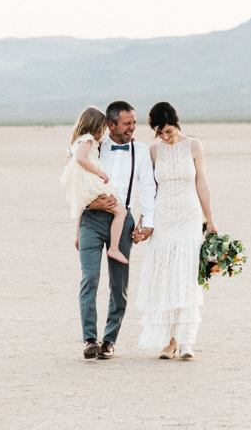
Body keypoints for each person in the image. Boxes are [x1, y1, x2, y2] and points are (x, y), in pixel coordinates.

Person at [129, 101, 216, 360]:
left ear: (176, 124)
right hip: (164, 219)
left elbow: (202, 182)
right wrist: (144, 220)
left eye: (169, 131)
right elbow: (150, 190)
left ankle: (186, 341)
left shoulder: (194, 146)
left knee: (186, 277)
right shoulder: (154, 151)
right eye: (160, 133)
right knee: (165, 277)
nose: (165, 137)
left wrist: (210, 219)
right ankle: (169, 342)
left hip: (189, 217)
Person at [74, 100, 154, 360]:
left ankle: (109, 340)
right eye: (126, 123)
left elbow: (149, 190)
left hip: (124, 219)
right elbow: (76, 183)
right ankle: (89, 339)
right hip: (91, 218)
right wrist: (86, 211)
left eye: (134, 122)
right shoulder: (94, 147)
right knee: (90, 279)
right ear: (110, 124)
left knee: (119, 285)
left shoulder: (140, 151)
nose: (132, 127)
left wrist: (147, 224)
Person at [60, 107, 127, 266]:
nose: (103, 133)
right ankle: (114, 248)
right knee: (121, 211)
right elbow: (80, 158)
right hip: (91, 182)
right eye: (102, 129)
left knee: (82, 206)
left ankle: (79, 235)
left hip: (85, 184)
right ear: (95, 126)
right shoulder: (88, 138)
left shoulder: (81, 140)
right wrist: (99, 172)